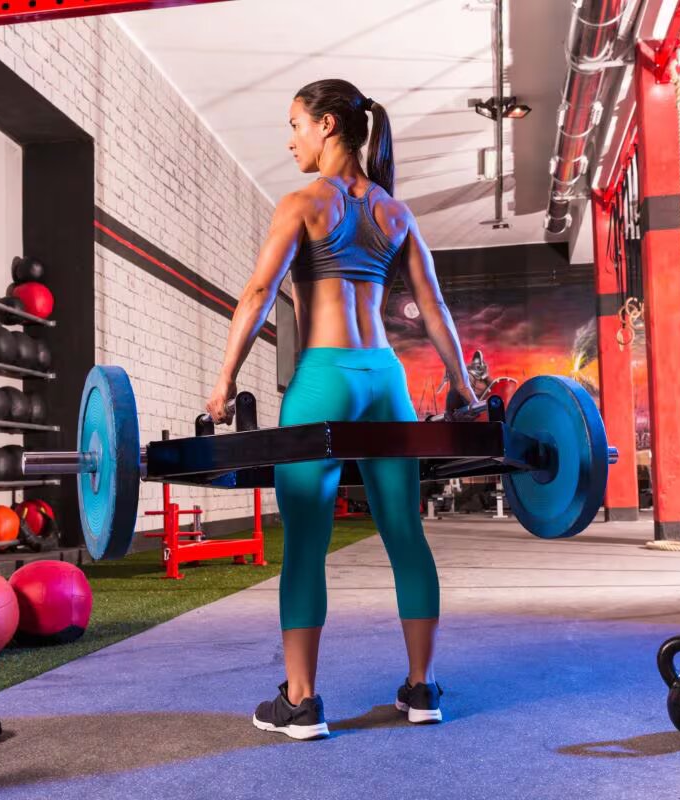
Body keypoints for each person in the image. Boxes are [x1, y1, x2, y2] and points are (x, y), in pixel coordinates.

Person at [205, 78, 478, 740]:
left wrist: (224, 382)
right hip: (386, 380)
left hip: (326, 377)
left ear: (328, 125)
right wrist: (464, 388)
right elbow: (435, 308)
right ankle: (422, 689)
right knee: (405, 535)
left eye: (295, 122)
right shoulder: (395, 213)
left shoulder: (302, 202)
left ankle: (301, 703)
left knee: (305, 544)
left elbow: (258, 291)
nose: (290, 136)